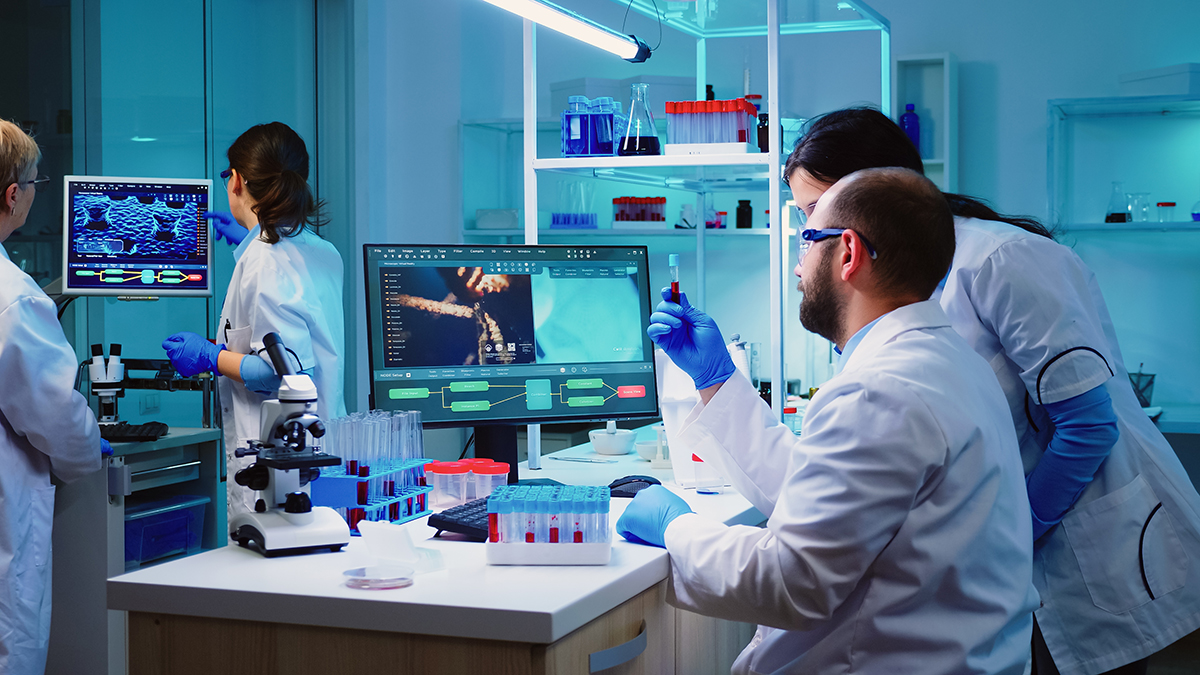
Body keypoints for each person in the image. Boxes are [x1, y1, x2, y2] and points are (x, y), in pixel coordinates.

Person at [782, 107, 1200, 675]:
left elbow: (1088, 425)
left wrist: (1001, 541)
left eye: (813, 213)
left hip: (1082, 540)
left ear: (871, 190)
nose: (809, 240)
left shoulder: (999, 258)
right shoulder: (894, 284)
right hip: (1002, 554)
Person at [619, 167, 1040, 675]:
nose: (798, 268)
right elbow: (828, 493)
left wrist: (676, 528)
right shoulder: (951, 363)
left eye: (805, 239)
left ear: (847, 252)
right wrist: (715, 377)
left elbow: (793, 581)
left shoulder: (881, 388)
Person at [162, 122, 345, 520]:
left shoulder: (264, 260)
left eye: (228, 175)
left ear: (238, 181)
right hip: (320, 451)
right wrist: (250, 237)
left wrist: (210, 356)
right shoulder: (321, 250)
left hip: (279, 468)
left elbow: (280, 374)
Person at [0, 120, 106, 673]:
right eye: (37, 183)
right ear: (14, 194)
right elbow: (59, 419)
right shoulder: (15, 300)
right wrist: (87, 454)